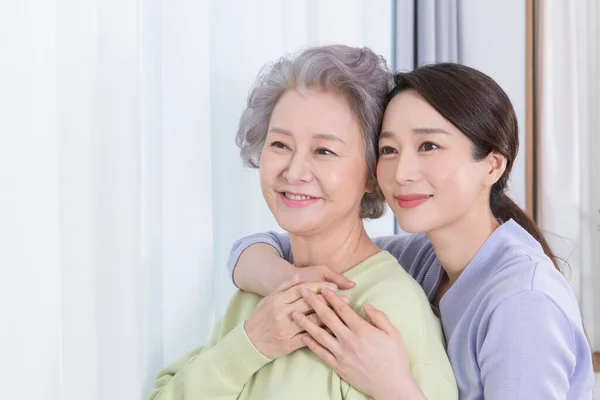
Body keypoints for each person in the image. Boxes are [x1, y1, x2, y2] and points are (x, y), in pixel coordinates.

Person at [227, 63, 596, 399]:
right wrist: (289, 281)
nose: (402, 172)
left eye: (428, 146)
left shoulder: (523, 304)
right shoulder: (422, 258)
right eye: (388, 149)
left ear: (492, 166)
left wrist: (393, 386)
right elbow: (258, 248)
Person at [149, 45, 457, 400]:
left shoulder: (386, 311)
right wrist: (249, 345)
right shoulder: (263, 286)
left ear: (373, 174)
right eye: (280, 144)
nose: (293, 172)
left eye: (323, 151)